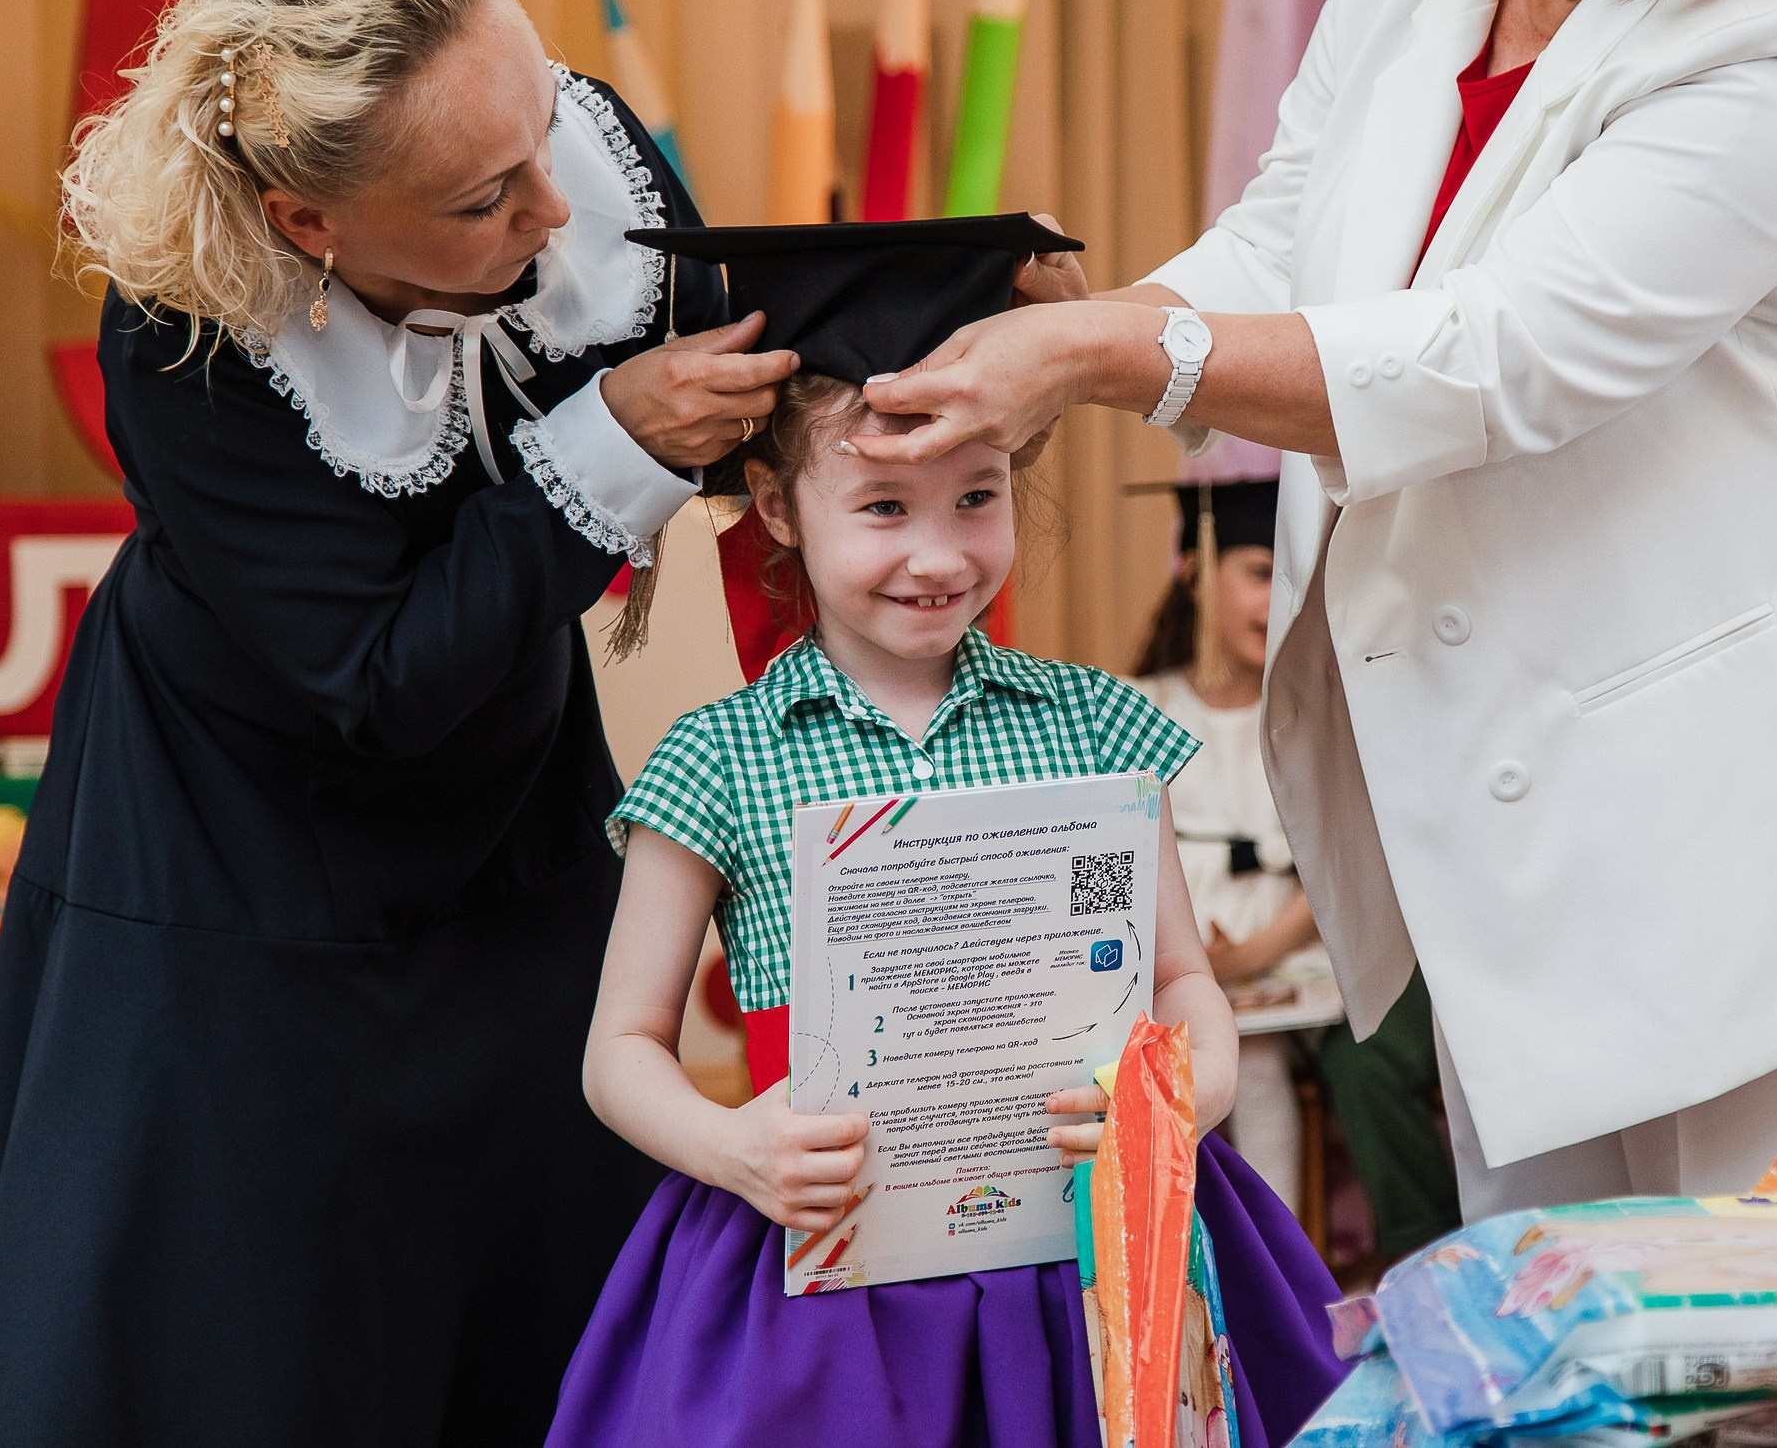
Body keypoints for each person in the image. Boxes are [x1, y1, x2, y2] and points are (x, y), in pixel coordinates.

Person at [848, 0, 1777, 1209]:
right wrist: (1081, 328)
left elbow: (1492, 356)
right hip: (1516, 829)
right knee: (1545, 1347)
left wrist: (1104, 356)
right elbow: (1293, 231)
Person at [0, 0, 793, 1444]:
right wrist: (610, 443)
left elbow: (741, 348)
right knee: (261, 1339)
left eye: (539, 135)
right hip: (237, 893)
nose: (550, 208)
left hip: (516, 851)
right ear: (303, 216)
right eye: (480, 200)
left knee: (550, 1304)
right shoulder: (188, 338)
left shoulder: (541, 141)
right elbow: (377, 677)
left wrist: (975, 303)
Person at [545, 371, 1346, 1448]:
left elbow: (1179, 977)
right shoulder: (718, 755)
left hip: (1093, 1248)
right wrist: (736, 1149)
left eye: (976, 497)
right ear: (778, 507)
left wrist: (1180, 1102)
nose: (939, 555)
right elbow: (621, 1049)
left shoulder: (1097, 720)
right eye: (882, 506)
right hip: (827, 1267)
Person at [1131, 462, 1461, 1262]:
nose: (1268, 600)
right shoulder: (1137, 706)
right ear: (1194, 572)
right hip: (1194, 967)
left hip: (1310, 954)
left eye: (1281, 579)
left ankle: (1407, 1256)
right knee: (1244, 1060)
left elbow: (1350, 852)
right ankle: (1237, 1261)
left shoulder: (1318, 704)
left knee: (1366, 1052)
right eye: (1253, 573)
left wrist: (1256, 954)